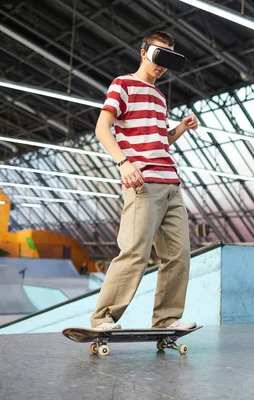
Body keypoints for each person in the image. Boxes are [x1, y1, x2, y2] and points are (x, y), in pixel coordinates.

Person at [90, 31, 198, 331]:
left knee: (178, 257)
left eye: (169, 58)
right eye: (159, 56)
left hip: (171, 185)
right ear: (143, 52)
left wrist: (181, 128)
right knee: (135, 253)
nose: (163, 65)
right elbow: (102, 128)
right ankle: (103, 318)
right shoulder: (122, 85)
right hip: (143, 184)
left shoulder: (160, 97)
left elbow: (160, 140)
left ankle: (166, 320)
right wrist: (123, 163)